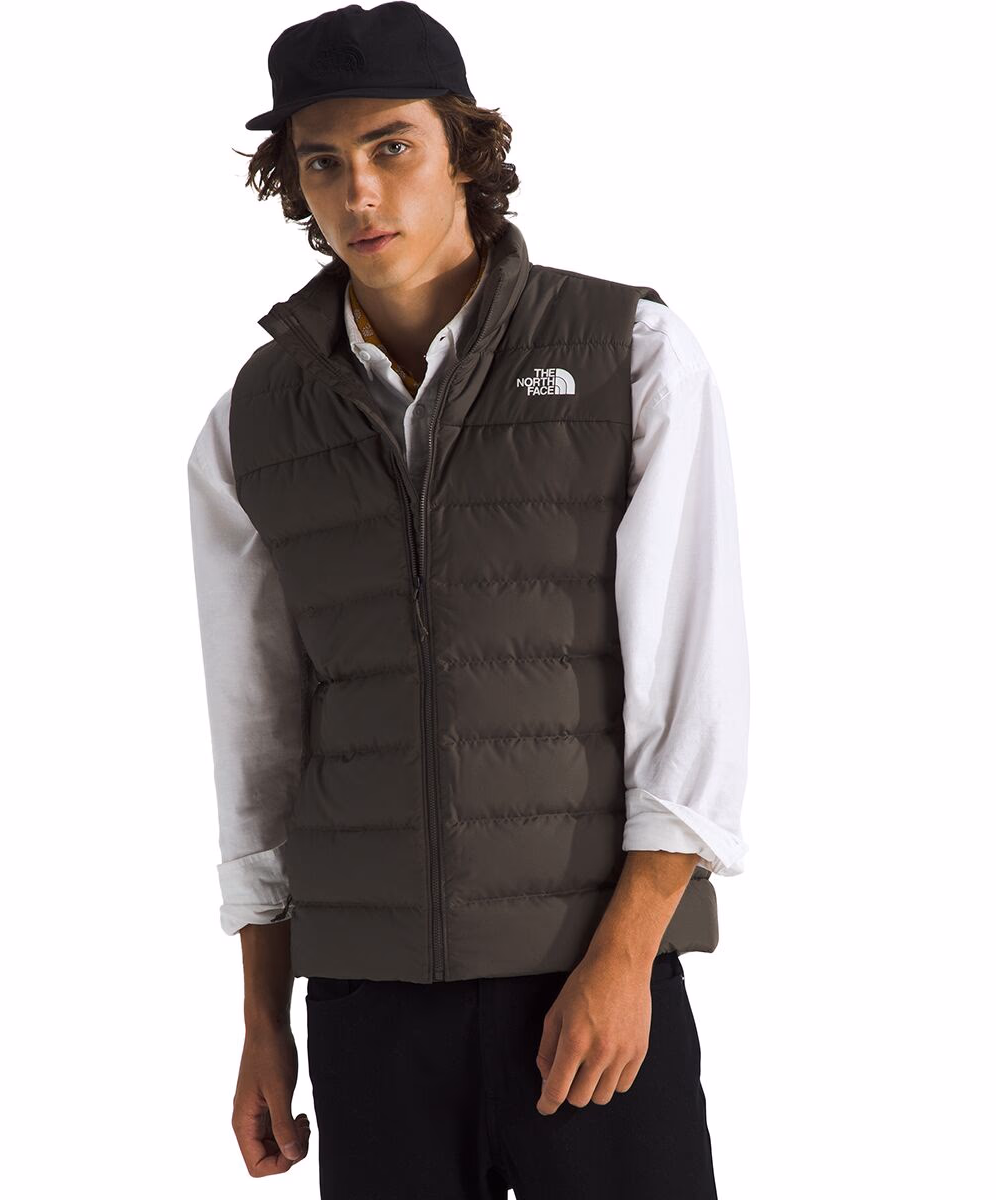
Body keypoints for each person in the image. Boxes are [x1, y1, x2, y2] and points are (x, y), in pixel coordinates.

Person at [187, 4, 750, 1195]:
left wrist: (625, 962)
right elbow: (257, 741)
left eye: (391, 147)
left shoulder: (629, 354)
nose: (358, 192)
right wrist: (262, 1018)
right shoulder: (253, 421)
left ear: (463, 150)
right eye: (321, 162)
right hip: (368, 1003)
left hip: (586, 977)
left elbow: (693, 687)